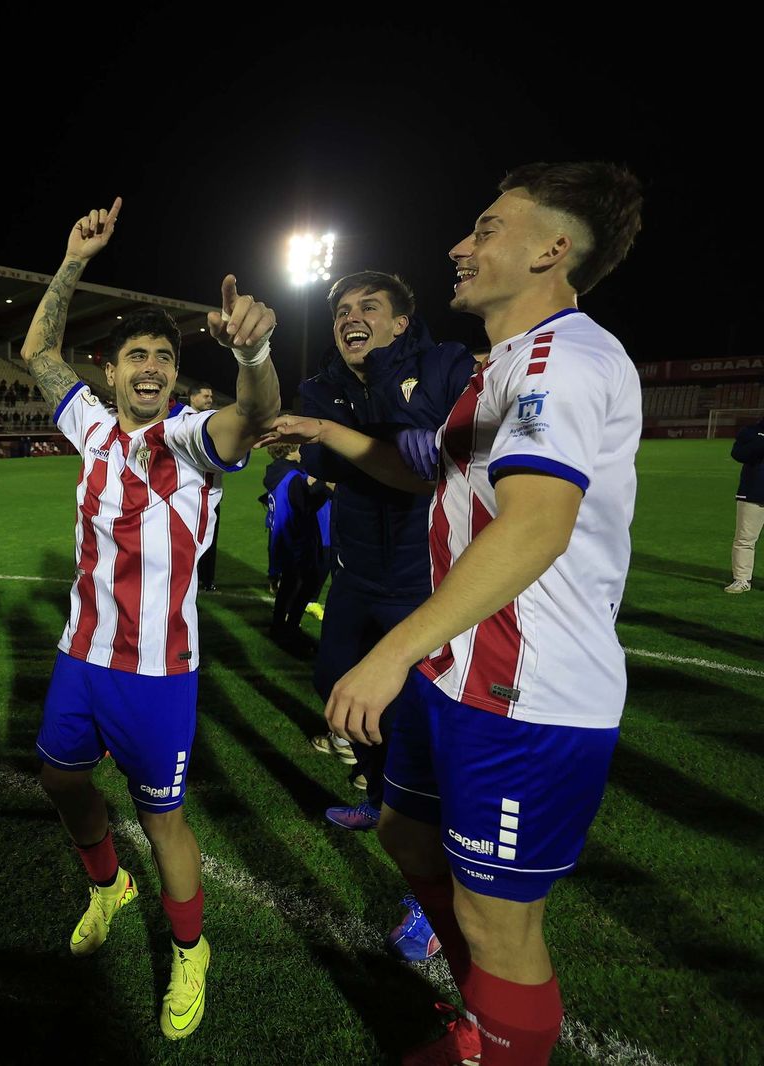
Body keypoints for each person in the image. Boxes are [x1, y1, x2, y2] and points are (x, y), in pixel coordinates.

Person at [262, 161, 644, 1065]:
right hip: (461, 671)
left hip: (525, 691)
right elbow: (421, 471)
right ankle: (486, 1016)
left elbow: (537, 525)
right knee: (405, 832)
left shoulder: (563, 360)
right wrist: (327, 432)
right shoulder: (502, 367)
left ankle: (495, 1039)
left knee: (498, 920)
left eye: (487, 228)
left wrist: (391, 651)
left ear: (552, 249)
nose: (459, 246)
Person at [22, 198, 280, 1041]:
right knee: (61, 779)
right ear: (112, 371)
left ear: (174, 376)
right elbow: (37, 353)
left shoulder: (193, 440)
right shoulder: (92, 428)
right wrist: (74, 259)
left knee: (163, 817)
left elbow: (253, 416)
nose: (152, 368)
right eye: (137, 355)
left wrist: (254, 355)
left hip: (158, 674)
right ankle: (109, 885)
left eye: (164, 358)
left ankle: (190, 948)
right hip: (81, 658)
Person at [297, 270, 474, 840]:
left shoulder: (444, 364)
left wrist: (364, 435)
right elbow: (322, 462)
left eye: (368, 307)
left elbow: (452, 449)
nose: (351, 317)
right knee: (335, 684)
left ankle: (430, 823)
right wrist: (395, 442)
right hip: (355, 573)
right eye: (342, 311)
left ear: (400, 323)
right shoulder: (322, 386)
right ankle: (378, 794)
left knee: (420, 711)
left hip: (426, 576)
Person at [261, 443, 332, 645]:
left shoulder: (280, 472)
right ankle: (288, 630)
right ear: (293, 449)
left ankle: (280, 628)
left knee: (290, 587)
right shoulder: (291, 477)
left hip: (288, 542)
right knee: (303, 586)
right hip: (298, 542)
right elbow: (305, 507)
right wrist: (325, 487)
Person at [185, 384, 221, 590]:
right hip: (188, 492)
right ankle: (191, 578)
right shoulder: (181, 419)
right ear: (193, 397)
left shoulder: (212, 420)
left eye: (211, 396)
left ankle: (207, 580)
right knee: (187, 539)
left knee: (210, 537)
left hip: (211, 492)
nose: (210, 399)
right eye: (206, 395)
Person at [726, 415, 763, 593]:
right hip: (753, 492)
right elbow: (738, 454)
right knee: (745, 539)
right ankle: (741, 579)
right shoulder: (751, 432)